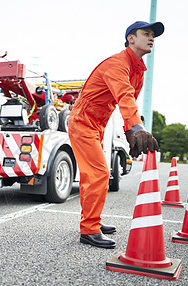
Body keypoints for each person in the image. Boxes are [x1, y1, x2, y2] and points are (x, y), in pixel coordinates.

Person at [68, 21, 163, 249]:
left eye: (153, 35)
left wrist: (130, 131)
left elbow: (129, 104)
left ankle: (93, 221)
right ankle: (89, 230)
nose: (152, 38)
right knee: (99, 173)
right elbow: (124, 97)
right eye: (146, 34)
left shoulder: (137, 70)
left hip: (97, 123)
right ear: (131, 38)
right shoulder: (117, 64)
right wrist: (138, 129)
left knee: (95, 174)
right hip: (82, 121)